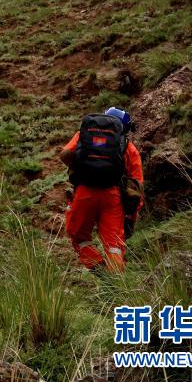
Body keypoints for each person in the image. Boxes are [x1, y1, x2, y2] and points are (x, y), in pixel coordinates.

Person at [59, 107, 144, 273]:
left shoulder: (82, 136)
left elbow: (64, 155)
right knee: (114, 246)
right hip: (113, 198)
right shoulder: (129, 147)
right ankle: (115, 284)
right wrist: (132, 216)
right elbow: (137, 187)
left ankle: (99, 270)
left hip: (84, 193)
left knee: (79, 237)